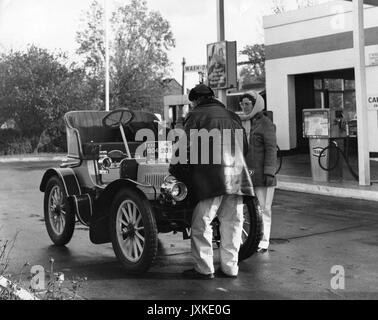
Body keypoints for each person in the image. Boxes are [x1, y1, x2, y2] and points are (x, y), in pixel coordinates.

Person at [169, 84, 253, 279]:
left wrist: (175, 169)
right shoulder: (233, 116)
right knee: (232, 222)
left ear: (196, 100)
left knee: (201, 223)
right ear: (213, 97)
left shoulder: (195, 116)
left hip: (210, 178)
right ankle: (230, 268)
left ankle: (204, 269)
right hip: (237, 177)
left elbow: (186, 148)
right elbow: (245, 147)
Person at [238, 91, 277, 253]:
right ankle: (247, 241)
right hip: (246, 174)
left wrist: (269, 172)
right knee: (246, 209)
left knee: (264, 208)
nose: (244, 107)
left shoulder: (265, 124)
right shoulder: (241, 122)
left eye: (247, 104)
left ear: (256, 105)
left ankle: (263, 241)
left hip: (262, 175)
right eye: (242, 104)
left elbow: (271, 149)